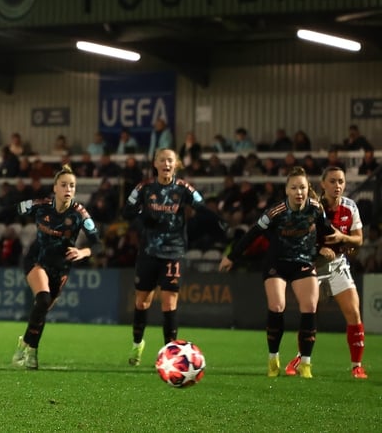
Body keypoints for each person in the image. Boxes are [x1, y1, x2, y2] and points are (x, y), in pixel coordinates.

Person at [0, 164, 101, 370]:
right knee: (43, 298)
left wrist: (83, 252)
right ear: (55, 188)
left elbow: (98, 244)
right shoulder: (41, 205)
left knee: (42, 310)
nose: (68, 189)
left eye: (72, 186)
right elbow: (9, 211)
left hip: (61, 268)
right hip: (37, 259)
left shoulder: (80, 214)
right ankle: (30, 351)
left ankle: (27, 345)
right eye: (64, 185)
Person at [219, 166, 333, 379]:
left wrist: (331, 247)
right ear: (287, 191)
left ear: (308, 189)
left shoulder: (316, 208)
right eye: (294, 188)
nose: (299, 192)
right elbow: (253, 233)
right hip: (277, 263)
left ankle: (306, 364)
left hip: (303, 262)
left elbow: (326, 231)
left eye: (302, 187)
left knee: (309, 306)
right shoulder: (276, 211)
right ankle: (273, 359)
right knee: (277, 306)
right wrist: (232, 256)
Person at [122, 148, 224, 366]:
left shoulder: (183, 188)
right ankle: (137, 344)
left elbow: (202, 207)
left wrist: (216, 222)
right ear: (155, 164)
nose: (166, 164)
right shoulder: (145, 187)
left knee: (169, 305)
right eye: (162, 160)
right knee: (142, 302)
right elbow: (127, 211)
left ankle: (169, 354)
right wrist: (142, 217)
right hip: (148, 252)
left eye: (170, 160)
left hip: (173, 252)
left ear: (175, 164)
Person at [285, 166, 368, 379]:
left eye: (341, 181)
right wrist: (319, 249)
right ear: (323, 184)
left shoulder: (350, 207)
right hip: (313, 266)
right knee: (310, 315)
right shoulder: (313, 207)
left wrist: (343, 238)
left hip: (338, 265)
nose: (337, 186)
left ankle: (357, 366)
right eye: (332, 181)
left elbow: (358, 239)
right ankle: (300, 358)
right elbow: (299, 240)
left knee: (354, 312)